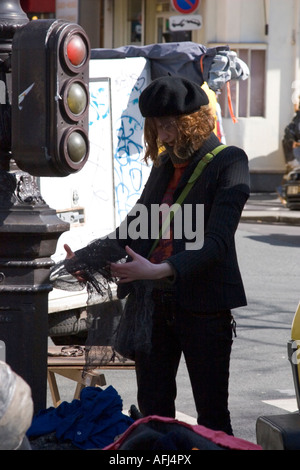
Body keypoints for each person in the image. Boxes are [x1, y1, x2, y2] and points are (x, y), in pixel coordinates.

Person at [64, 75, 250, 435]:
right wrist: (85, 262)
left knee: (212, 415)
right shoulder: (164, 165)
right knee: (153, 412)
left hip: (204, 308)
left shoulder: (230, 161)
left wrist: (159, 269)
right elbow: (134, 228)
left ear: (192, 122)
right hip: (153, 307)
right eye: (157, 128)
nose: (163, 137)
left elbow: (217, 243)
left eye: (169, 127)